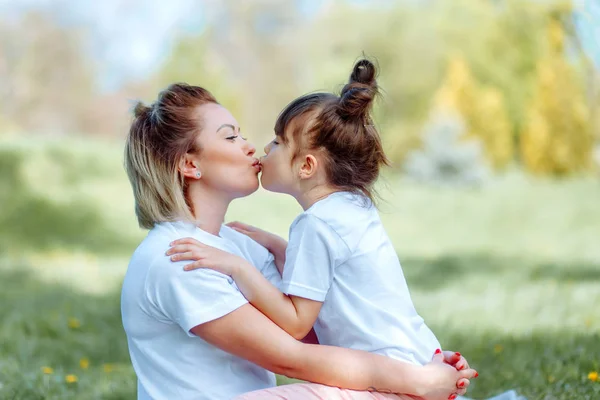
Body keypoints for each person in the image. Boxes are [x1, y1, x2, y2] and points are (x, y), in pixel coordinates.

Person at [121, 82, 475, 400]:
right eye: (230, 137)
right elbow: (292, 357)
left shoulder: (239, 244)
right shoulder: (180, 257)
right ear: (189, 165)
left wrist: (409, 355)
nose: (250, 146)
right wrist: (417, 380)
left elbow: (316, 328)